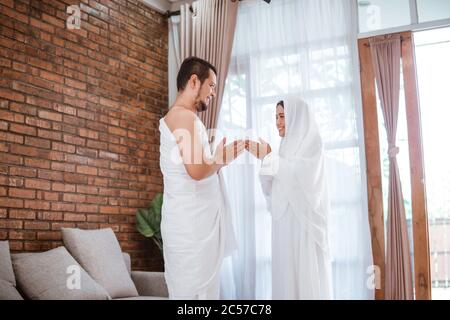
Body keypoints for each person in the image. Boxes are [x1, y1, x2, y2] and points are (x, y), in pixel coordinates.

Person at [159, 56, 244, 299]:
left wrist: (217, 160)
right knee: (197, 296)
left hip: (187, 221)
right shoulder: (185, 117)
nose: (213, 93)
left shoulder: (175, 117)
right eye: (212, 86)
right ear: (194, 81)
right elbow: (196, 170)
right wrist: (221, 159)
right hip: (192, 227)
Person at [245, 97, 332, 299]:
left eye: (282, 116)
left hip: (303, 227)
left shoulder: (313, 144)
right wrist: (266, 159)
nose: (277, 122)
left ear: (296, 117)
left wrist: (270, 157)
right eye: (276, 117)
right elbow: (272, 186)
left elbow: (302, 180)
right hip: (285, 226)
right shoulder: (284, 147)